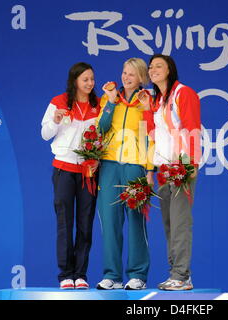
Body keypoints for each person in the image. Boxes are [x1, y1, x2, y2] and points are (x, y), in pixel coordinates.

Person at [143, 54, 201, 291]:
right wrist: (147, 110)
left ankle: (182, 275)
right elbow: (153, 135)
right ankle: (175, 273)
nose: (153, 69)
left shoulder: (183, 93)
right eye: (150, 67)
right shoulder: (158, 100)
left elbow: (192, 128)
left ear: (169, 70)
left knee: (180, 223)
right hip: (164, 170)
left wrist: (191, 165)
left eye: (158, 66)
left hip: (181, 168)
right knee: (169, 224)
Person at [96, 58, 154, 290]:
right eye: (124, 72)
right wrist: (110, 103)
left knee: (136, 222)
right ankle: (112, 276)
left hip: (134, 167)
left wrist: (149, 169)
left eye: (132, 74)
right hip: (109, 167)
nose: (126, 77)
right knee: (109, 222)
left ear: (141, 77)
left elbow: (151, 137)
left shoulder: (147, 102)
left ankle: (137, 274)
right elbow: (100, 128)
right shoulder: (109, 97)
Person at [41, 62, 101, 290]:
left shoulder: (98, 105)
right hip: (64, 169)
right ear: (75, 80)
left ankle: (81, 274)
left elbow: (104, 135)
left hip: (88, 172)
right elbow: (44, 134)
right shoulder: (59, 102)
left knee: (85, 224)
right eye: (85, 79)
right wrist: (55, 120)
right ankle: (66, 274)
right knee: (65, 223)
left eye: (92, 79)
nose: (90, 83)